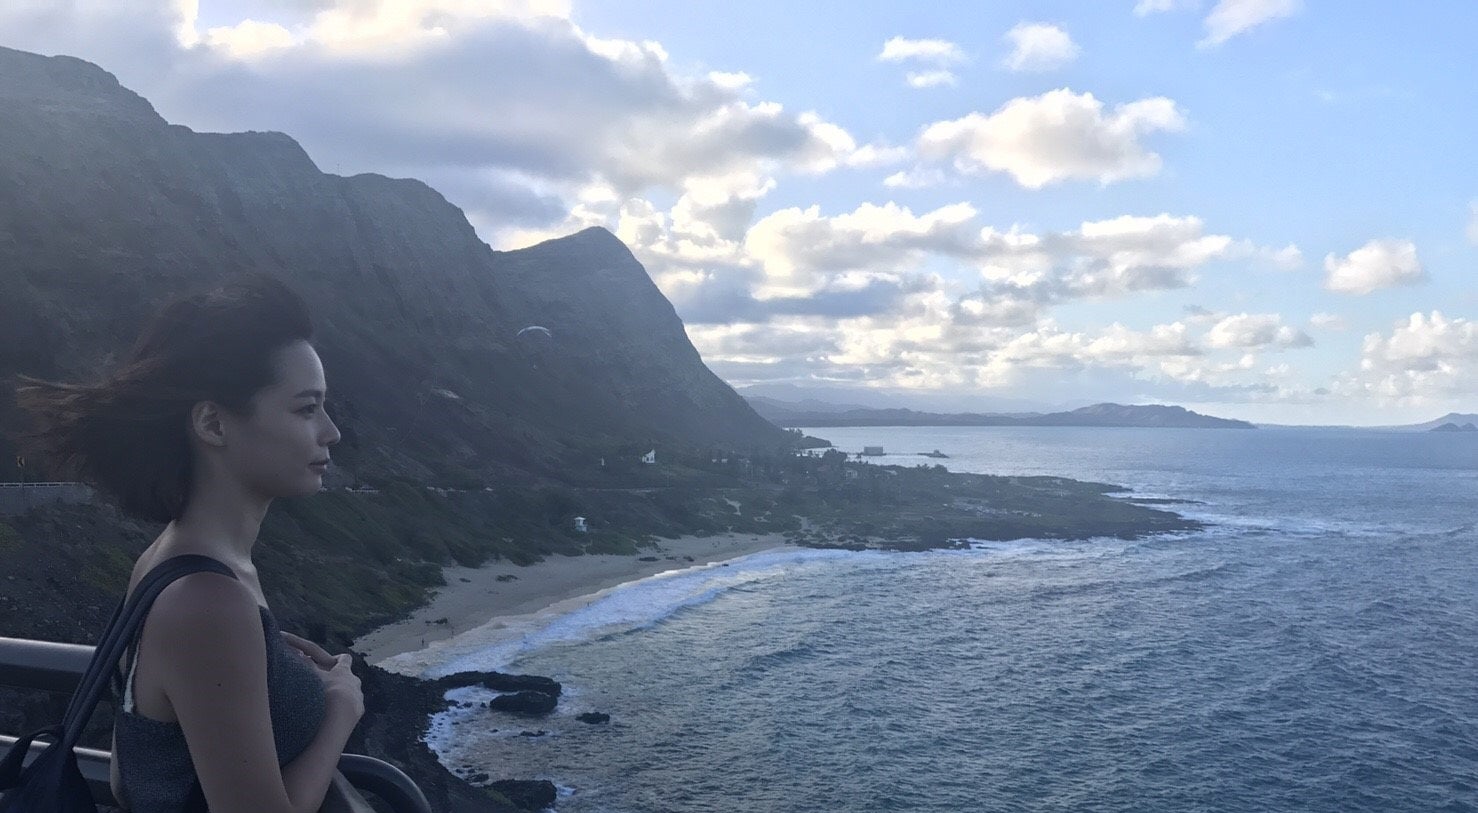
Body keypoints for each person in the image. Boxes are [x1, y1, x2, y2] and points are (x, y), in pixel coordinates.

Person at [14, 276, 363, 813]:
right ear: (213, 423)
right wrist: (340, 709)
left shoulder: (172, 563)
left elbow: (131, 777)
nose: (331, 431)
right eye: (305, 409)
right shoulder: (208, 601)